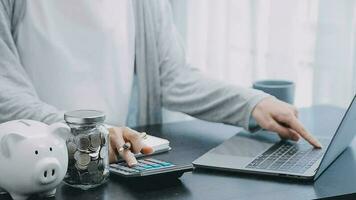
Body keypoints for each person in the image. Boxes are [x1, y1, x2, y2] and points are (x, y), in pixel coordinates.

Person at [0, 0, 321, 167]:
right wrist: (85, 135)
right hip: (35, 169)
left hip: (114, 162)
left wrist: (253, 103)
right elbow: (7, 94)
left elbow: (171, 75)